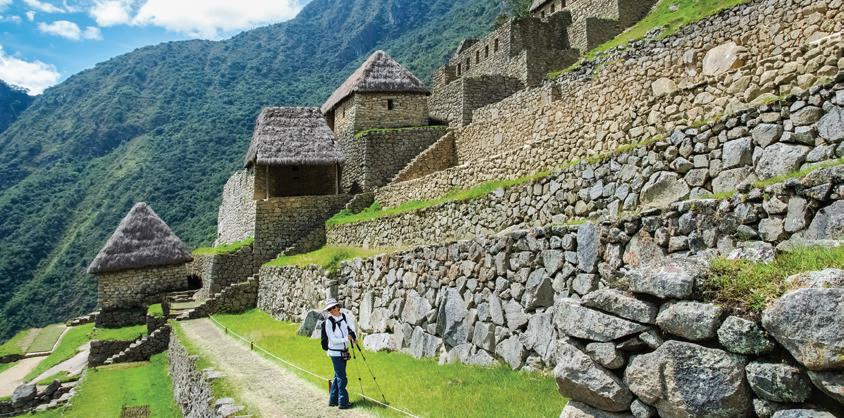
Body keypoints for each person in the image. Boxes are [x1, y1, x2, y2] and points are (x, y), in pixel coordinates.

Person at [323, 298, 357, 409]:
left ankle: (333, 400)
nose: (332, 310)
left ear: (338, 307)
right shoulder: (329, 322)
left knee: (338, 375)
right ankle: (343, 402)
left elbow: (351, 329)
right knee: (342, 378)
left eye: (333, 307)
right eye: (329, 309)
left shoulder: (345, 317)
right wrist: (346, 339)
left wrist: (354, 337)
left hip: (344, 351)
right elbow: (332, 339)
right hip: (335, 353)